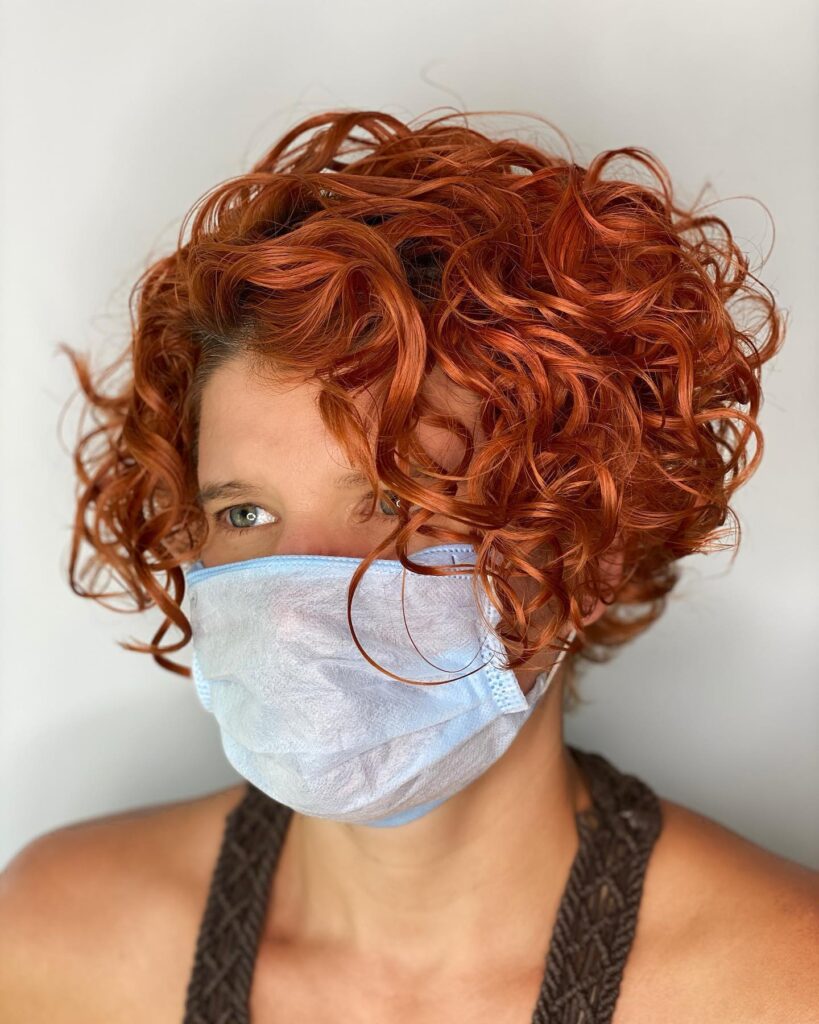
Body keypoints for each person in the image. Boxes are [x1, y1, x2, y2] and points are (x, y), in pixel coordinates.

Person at [1, 108, 816, 1024]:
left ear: (583, 553)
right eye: (245, 512)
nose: (296, 592)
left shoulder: (780, 983)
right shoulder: (54, 944)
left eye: (397, 503)